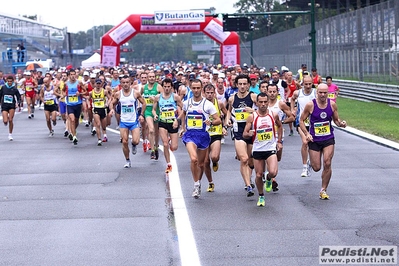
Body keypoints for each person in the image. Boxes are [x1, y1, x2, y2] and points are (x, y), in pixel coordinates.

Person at [299, 83, 347, 199]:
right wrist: (307, 134)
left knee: (327, 162)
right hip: (314, 140)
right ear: (317, 93)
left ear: (328, 93)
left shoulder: (332, 105)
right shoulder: (311, 105)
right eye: (320, 92)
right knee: (316, 168)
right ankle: (311, 162)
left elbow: (336, 120)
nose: (322, 95)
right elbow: (301, 120)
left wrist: (341, 124)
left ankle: (323, 189)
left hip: (328, 138)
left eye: (325, 92)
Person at [179, 79, 221, 199]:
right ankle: (196, 184)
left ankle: (199, 181)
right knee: (194, 159)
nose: (196, 90)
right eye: (194, 88)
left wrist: (211, 122)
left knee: (202, 164)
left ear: (201, 89)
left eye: (198, 88)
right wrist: (182, 127)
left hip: (203, 135)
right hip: (190, 135)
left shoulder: (208, 105)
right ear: (190, 89)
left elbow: (218, 120)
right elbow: (184, 114)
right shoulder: (187, 102)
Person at [243, 92, 283, 206]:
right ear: (257, 103)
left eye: (266, 102)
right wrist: (248, 133)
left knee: (273, 172)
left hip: (270, 148)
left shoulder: (273, 114)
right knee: (258, 175)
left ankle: (269, 177)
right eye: (261, 102)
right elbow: (244, 133)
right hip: (258, 149)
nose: (263, 104)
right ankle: (261, 196)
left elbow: (280, 126)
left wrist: (279, 141)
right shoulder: (252, 117)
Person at [225, 74, 258, 197]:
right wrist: (227, 120)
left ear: (249, 85)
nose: (242, 86)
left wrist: (253, 111)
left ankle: (249, 179)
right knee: (243, 158)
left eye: (245, 84)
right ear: (236, 85)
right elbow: (229, 111)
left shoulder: (253, 97)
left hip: (251, 131)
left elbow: (263, 110)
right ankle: (248, 185)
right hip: (238, 132)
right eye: (240, 84)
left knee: (250, 162)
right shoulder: (232, 98)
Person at [109, 76, 146, 168]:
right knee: (124, 142)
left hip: (133, 121)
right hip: (124, 122)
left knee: (136, 141)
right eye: (123, 82)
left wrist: (141, 114)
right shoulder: (118, 94)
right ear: (121, 84)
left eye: (127, 82)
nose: (125, 84)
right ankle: (127, 160)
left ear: (130, 83)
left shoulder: (135, 93)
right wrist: (111, 110)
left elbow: (144, 102)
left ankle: (134, 145)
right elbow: (111, 103)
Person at [266, 83, 295, 191]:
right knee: (269, 155)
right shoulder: (263, 103)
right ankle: (271, 179)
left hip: (278, 135)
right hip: (266, 136)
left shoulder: (281, 104)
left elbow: (292, 117)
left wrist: (282, 122)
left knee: (277, 158)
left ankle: (269, 175)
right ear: (267, 92)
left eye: (274, 91)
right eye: (270, 91)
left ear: (277, 92)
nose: (272, 94)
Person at [152, 78, 183, 174]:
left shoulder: (175, 97)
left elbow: (184, 109)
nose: (166, 88)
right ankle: (168, 164)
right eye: (165, 86)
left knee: (174, 147)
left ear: (171, 87)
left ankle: (170, 142)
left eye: (168, 87)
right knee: (165, 144)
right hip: (162, 122)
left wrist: (177, 120)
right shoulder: (158, 97)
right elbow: (153, 109)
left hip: (173, 123)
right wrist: (155, 115)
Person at [202, 84, 228, 192]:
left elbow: (227, 114)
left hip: (216, 133)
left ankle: (216, 161)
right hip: (204, 134)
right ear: (204, 93)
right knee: (205, 161)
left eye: (211, 93)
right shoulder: (201, 104)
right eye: (207, 93)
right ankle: (210, 182)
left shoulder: (219, 103)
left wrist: (225, 126)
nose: (209, 95)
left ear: (214, 93)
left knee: (214, 157)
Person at [290, 76, 317, 177]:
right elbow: (292, 99)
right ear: (302, 84)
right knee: (305, 142)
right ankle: (305, 167)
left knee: (312, 143)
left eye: (310, 84)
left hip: (313, 122)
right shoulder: (298, 93)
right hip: (301, 121)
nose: (308, 86)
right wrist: (292, 109)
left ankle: (310, 162)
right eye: (306, 84)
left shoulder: (316, 92)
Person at [141, 71, 163, 160]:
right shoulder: (143, 88)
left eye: (153, 76)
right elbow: (140, 97)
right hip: (148, 111)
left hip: (157, 111)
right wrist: (142, 107)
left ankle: (156, 147)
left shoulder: (158, 87)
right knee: (151, 130)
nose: (151, 78)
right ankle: (152, 150)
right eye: (150, 77)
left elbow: (164, 98)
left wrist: (155, 99)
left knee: (156, 132)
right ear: (147, 78)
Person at [63, 69, 87, 145]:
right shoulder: (66, 83)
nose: (73, 76)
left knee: (76, 121)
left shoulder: (79, 82)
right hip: (70, 104)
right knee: (72, 120)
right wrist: (64, 95)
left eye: (74, 74)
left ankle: (73, 131)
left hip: (78, 104)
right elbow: (63, 90)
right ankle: (74, 136)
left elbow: (85, 91)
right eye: (71, 74)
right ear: (69, 75)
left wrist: (80, 93)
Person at [87, 78, 111, 145]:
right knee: (98, 124)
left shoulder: (104, 91)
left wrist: (107, 103)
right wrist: (89, 105)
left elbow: (110, 98)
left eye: (99, 83)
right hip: (96, 109)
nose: (98, 85)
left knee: (103, 125)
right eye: (97, 83)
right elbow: (88, 99)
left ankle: (105, 135)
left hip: (103, 109)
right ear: (95, 84)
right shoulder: (91, 92)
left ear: (101, 84)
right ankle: (99, 139)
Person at [0, 75, 21, 140]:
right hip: (5, 105)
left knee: (11, 120)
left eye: (10, 81)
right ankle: (5, 121)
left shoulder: (14, 89)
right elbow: (0, 95)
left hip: (12, 105)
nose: (9, 82)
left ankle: (10, 134)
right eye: (8, 81)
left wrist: (18, 103)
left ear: (12, 81)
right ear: (6, 81)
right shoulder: (3, 88)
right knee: (5, 121)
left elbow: (18, 97)